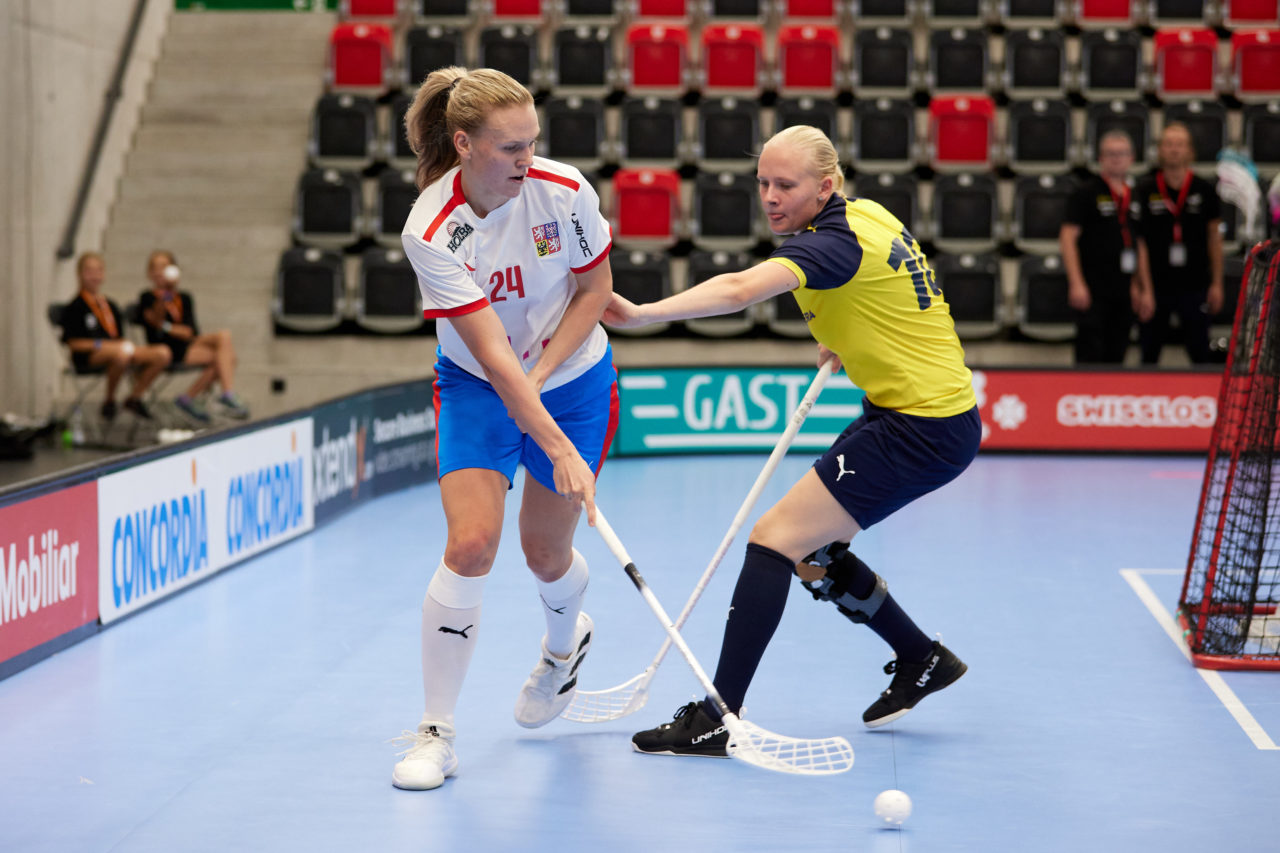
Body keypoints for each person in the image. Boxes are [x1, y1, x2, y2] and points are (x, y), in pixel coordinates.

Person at [604, 126, 981, 757]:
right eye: (764, 184)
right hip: (920, 411)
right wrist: (852, 332)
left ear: (824, 187)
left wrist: (641, 314)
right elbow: (904, 292)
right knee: (816, 554)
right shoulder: (868, 216)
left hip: (920, 426)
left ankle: (719, 714)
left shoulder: (829, 246)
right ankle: (921, 656)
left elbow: (736, 292)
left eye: (786, 185)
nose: (771, 197)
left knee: (773, 541)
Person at [390, 67, 616, 791]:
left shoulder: (566, 191)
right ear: (464, 144)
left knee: (547, 556)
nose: (528, 158)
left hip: (573, 379)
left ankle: (562, 649)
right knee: (471, 544)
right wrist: (552, 443)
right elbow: (491, 354)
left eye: (533, 142)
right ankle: (436, 730)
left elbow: (596, 291)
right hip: (478, 387)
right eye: (511, 146)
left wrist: (545, 384)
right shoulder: (433, 228)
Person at [1133, 122, 1224, 365]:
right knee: (1149, 354)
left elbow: (1214, 238)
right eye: (1169, 144)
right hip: (1157, 285)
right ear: (1160, 150)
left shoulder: (1205, 189)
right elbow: (1138, 242)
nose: (1174, 149)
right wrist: (1144, 288)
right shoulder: (1145, 188)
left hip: (1195, 284)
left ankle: (1204, 402)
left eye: (1180, 144)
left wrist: (1216, 283)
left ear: (1190, 152)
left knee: (1200, 353)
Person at [1060, 130, 1150, 364]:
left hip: (1125, 288)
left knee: (1117, 353)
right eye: (1110, 154)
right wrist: (1077, 283)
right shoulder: (1086, 192)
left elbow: (1139, 243)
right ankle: (1084, 399)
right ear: (1100, 158)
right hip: (1092, 287)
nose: (1116, 158)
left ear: (1132, 158)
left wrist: (1143, 287)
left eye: (1122, 153)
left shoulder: (1136, 195)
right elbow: (1067, 238)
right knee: (1090, 352)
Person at [137, 250, 250, 421]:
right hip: (166, 349)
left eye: (165, 266)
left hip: (185, 344)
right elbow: (156, 323)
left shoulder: (184, 297)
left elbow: (190, 332)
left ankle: (223, 394)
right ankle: (191, 398)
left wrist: (170, 328)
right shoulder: (147, 297)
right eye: (156, 267)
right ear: (150, 273)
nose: (161, 271)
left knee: (225, 345)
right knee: (225, 359)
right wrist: (166, 296)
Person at [59, 251, 171, 421]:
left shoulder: (109, 305)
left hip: (119, 351)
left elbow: (119, 337)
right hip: (90, 355)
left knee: (162, 353)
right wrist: (101, 346)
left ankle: (134, 397)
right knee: (122, 353)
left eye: (98, 270)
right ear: (80, 274)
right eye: (89, 271)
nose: (94, 275)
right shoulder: (76, 306)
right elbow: (74, 344)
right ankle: (109, 400)